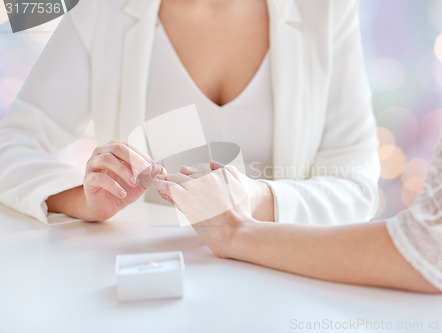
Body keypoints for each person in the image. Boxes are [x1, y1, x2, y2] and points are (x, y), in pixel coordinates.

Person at [155, 0, 442, 293]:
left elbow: (428, 243)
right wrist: (98, 203)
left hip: (282, 294)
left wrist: (245, 220)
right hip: (145, 279)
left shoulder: (326, 10)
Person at [0, 0, 379, 225]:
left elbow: (356, 184)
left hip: (283, 283)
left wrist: (255, 200)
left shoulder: (324, 10)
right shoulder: (104, 10)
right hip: (148, 285)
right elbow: (11, 144)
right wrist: (87, 199)